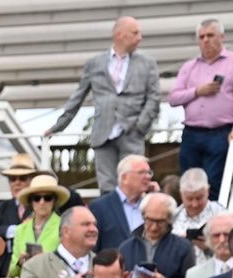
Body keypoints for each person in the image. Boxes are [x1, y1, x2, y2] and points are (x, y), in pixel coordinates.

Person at [44, 17, 161, 194]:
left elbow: (154, 97)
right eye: (135, 33)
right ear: (119, 34)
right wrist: (58, 126)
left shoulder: (147, 63)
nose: (140, 37)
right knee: (107, 188)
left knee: (135, 184)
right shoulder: (95, 63)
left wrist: (140, 126)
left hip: (132, 132)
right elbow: (78, 96)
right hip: (103, 133)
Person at [168, 18, 233, 200]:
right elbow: (173, 98)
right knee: (188, 184)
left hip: (221, 133)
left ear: (221, 37)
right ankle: (190, 225)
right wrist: (197, 91)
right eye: (201, 36)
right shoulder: (189, 66)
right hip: (191, 133)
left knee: (214, 183)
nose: (206, 40)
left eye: (210, 35)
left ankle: (213, 226)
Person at [118, 193, 195, 278]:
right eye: (150, 220)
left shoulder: (183, 247)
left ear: (170, 220)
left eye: (160, 222)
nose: (154, 227)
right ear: (143, 217)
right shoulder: (126, 248)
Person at [20, 206, 98, 278]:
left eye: (94, 224)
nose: (93, 229)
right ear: (66, 231)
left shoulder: (104, 264)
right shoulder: (35, 264)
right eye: (86, 224)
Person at [0, 154, 39, 276]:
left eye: (22, 178)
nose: (17, 183)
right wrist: (15, 230)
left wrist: (0, 230)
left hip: (32, 270)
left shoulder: (40, 205)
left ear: (31, 180)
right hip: (3, 270)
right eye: (12, 179)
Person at [88, 155, 155, 252]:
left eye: (149, 172)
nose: (148, 177)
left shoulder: (150, 204)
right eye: (141, 172)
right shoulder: (99, 207)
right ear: (124, 177)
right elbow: (92, 248)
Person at [8, 174, 68, 277]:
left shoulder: (64, 227)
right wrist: (19, 263)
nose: (42, 202)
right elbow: (12, 272)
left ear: (54, 201)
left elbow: (68, 267)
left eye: (47, 198)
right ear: (31, 202)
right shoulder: (20, 230)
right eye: (36, 198)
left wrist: (45, 260)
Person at [171, 168, 225, 264]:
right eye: (189, 198)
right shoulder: (172, 216)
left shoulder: (221, 215)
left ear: (208, 191)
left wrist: (210, 247)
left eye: (199, 198)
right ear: (181, 195)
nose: (194, 204)